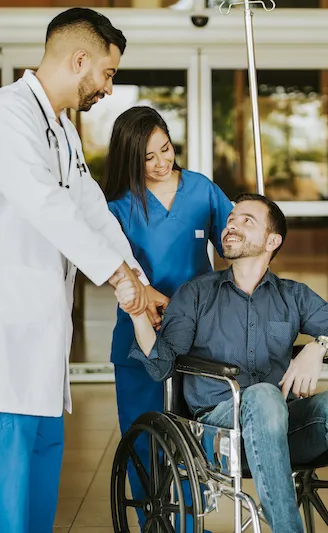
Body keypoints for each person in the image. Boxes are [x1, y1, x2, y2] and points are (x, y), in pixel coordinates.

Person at [115, 193, 328, 533]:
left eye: (247, 221)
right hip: (218, 434)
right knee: (262, 395)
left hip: (281, 427)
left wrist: (318, 347)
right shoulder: (196, 293)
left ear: (272, 241)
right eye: (232, 219)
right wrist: (139, 315)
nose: (232, 225)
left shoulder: (292, 295)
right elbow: (161, 365)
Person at [0, 8, 154, 533]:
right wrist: (117, 277)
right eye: (108, 75)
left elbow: (90, 207)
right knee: (11, 480)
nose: (108, 89)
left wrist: (138, 278)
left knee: (41, 470)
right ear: (80, 59)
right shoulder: (9, 116)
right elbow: (47, 206)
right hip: (11, 336)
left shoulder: (62, 130)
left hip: (43, 341)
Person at [103, 105, 233, 529]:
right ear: (129, 158)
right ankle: (153, 526)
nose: (163, 163)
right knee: (144, 442)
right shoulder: (118, 207)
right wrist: (140, 294)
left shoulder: (200, 190)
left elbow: (231, 242)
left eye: (167, 149)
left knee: (194, 445)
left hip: (199, 338)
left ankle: (190, 524)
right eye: (149, 157)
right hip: (139, 337)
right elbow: (110, 269)